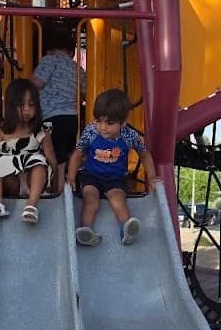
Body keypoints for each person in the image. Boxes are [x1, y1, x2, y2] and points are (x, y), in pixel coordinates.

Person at [66, 88, 158, 246]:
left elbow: (145, 155)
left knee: (118, 200)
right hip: (91, 176)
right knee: (90, 199)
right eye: (99, 120)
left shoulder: (129, 135)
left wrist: (151, 177)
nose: (102, 127)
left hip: (116, 178)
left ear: (123, 122)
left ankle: (126, 230)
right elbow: (78, 154)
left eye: (109, 123)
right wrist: (71, 177)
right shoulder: (91, 132)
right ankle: (86, 231)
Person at [0, 78, 57, 223]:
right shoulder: (2, 131)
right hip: (12, 184)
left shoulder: (40, 132)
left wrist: (55, 187)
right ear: (10, 107)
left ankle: (31, 206)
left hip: (32, 184)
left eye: (32, 104)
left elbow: (52, 160)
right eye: (21, 105)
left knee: (39, 162)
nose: (27, 109)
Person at [31, 24, 85, 191]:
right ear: (71, 52)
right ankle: (66, 185)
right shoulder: (77, 68)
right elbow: (84, 92)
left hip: (51, 117)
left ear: (48, 49)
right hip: (71, 118)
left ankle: (57, 189)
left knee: (51, 155)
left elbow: (38, 83)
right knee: (65, 154)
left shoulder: (48, 61)